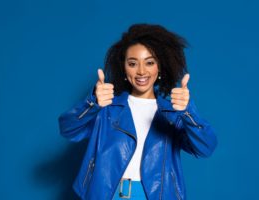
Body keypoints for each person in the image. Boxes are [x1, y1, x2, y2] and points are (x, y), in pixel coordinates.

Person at [58, 23, 217, 200]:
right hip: (108, 194)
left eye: (149, 62)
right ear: (124, 69)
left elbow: (206, 148)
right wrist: (92, 102)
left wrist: (188, 112)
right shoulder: (107, 108)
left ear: (160, 68)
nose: (141, 71)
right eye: (133, 63)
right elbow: (67, 129)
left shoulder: (173, 113)